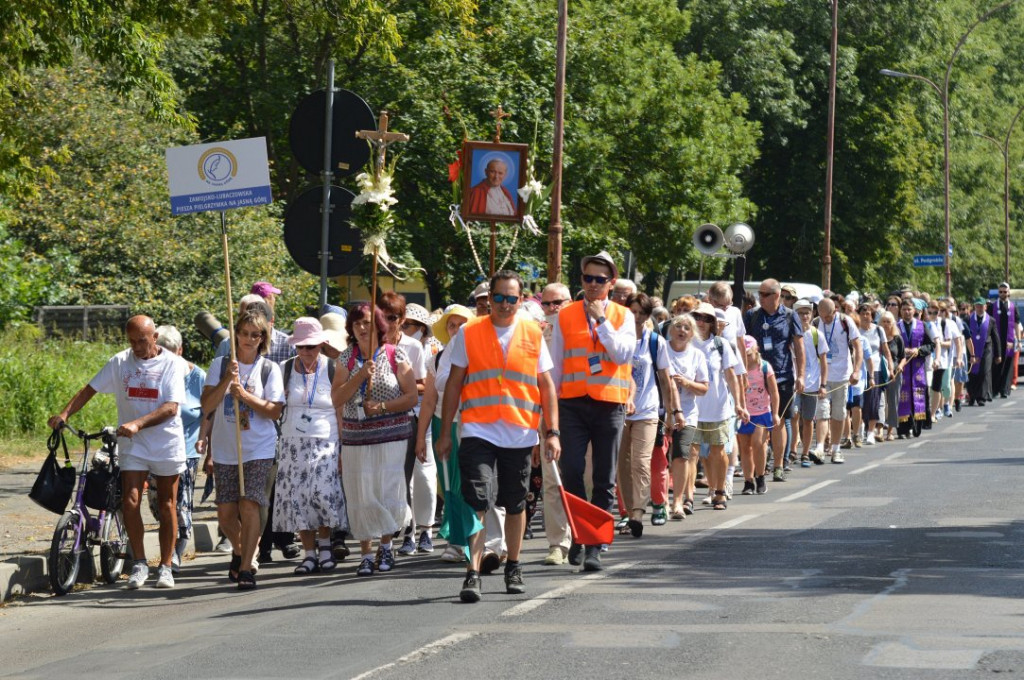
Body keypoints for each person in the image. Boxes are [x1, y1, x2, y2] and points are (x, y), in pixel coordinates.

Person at [437, 271, 561, 603]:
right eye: (500, 297)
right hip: (478, 429)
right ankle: (473, 572)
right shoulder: (469, 331)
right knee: (477, 500)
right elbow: (454, 383)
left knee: (515, 503)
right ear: (489, 298)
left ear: (521, 301)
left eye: (512, 298)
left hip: (520, 433)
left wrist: (552, 433)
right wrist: (447, 430)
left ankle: (514, 567)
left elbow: (546, 385)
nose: (505, 304)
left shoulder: (533, 333)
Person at [49, 315, 187, 590]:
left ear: (155, 338)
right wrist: (65, 413)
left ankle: (166, 566)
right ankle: (139, 563)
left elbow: (171, 407)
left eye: (142, 341)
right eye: (132, 341)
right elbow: (90, 390)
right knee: (130, 501)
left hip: (165, 442)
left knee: (166, 505)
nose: (137, 347)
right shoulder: (120, 361)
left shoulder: (172, 363)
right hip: (133, 444)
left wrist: (138, 423)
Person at [549, 251, 636, 572]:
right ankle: (579, 533)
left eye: (601, 280)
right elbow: (556, 365)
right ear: (581, 279)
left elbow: (623, 353)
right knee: (571, 472)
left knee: (603, 477)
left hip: (609, 402)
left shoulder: (622, 316)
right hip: (571, 402)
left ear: (611, 283)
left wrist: (601, 320)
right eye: (589, 278)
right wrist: (550, 414)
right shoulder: (565, 316)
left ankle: (595, 544)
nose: (594, 285)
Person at [201, 309, 285, 590]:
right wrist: (227, 380)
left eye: (255, 335)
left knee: (250, 504)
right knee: (226, 513)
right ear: (236, 334)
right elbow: (206, 405)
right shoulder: (221, 364)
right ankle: (238, 549)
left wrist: (245, 395)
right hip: (226, 450)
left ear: (263, 338)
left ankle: (248, 566)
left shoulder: (269, 369)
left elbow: (275, 411)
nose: (249, 339)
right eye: (244, 333)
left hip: (258, 448)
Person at [332, 304, 418, 577]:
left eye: (367, 322)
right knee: (361, 492)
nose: (362, 327)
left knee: (388, 490)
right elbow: (336, 399)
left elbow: (411, 397)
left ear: (378, 325)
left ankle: (386, 546)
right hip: (357, 437)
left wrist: (381, 408)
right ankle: (366, 553)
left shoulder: (395, 354)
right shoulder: (346, 358)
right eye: (356, 322)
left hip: (391, 435)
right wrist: (360, 375)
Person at [275, 318, 348, 575]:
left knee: (321, 494)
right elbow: (275, 406)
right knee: (297, 498)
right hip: (292, 443)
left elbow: (340, 407)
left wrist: (342, 446)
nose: (306, 352)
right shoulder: (283, 369)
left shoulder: (333, 368)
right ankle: (308, 553)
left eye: (312, 347)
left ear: (321, 345)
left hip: (325, 441)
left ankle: (326, 546)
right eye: (302, 347)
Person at [616, 292, 679, 537]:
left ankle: (637, 513)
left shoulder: (655, 341)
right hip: (618, 410)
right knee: (622, 464)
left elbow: (665, 378)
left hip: (647, 410)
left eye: (642, 313)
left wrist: (672, 412)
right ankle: (626, 511)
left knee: (641, 462)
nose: (637, 317)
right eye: (633, 311)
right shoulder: (617, 339)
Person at [415, 304, 475, 563]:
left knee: (468, 484)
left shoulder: (479, 354)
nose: (457, 329)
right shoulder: (437, 358)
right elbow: (428, 401)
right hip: (442, 424)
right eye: (452, 325)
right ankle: (456, 539)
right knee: (448, 484)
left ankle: (474, 540)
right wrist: (420, 437)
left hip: (471, 424)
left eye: (462, 324)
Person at [377, 292, 433, 557]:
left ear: (401, 319)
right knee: (389, 480)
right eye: (382, 317)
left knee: (412, 477)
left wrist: (400, 387)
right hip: (378, 421)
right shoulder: (371, 344)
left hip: (408, 418)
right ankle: (397, 532)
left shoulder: (413, 346)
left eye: (392, 317)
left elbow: (423, 384)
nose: (386, 323)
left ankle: (418, 531)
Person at [154, 325, 205, 574]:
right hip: (156, 448)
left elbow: (210, 413)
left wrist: (211, 448)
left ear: (180, 350)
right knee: (159, 504)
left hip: (187, 450)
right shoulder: (154, 373)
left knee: (181, 505)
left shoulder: (198, 377)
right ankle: (168, 544)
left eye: (169, 351)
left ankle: (175, 553)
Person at [744, 279, 805, 478]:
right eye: (759, 294)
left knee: (777, 421)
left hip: (782, 375)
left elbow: (799, 346)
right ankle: (756, 467)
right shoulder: (752, 316)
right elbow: (743, 343)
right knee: (755, 422)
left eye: (764, 294)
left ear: (776, 295)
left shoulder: (789, 316)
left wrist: (801, 375)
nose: (760, 298)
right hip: (756, 377)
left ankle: (779, 464)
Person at [691, 303, 747, 509]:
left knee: (718, 451)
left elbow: (732, 377)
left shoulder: (720, 344)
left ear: (713, 323)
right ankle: (688, 498)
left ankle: (720, 491)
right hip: (692, 408)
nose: (701, 322)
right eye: (697, 317)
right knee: (694, 453)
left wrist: (740, 404)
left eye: (707, 319)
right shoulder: (686, 343)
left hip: (718, 408)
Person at [537, 283, 573, 564]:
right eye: (546, 304)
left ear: (570, 302)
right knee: (552, 478)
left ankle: (583, 536)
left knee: (580, 476)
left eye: (557, 303)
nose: (551, 309)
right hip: (545, 412)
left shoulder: (579, 326)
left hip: (578, 409)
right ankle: (557, 544)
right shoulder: (535, 330)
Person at [665, 314, 708, 518]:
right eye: (678, 326)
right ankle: (661, 499)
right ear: (671, 330)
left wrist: (687, 383)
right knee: (660, 459)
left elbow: (703, 388)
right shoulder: (661, 348)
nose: (682, 331)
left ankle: (678, 502)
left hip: (687, 414)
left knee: (681, 456)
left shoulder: (696, 355)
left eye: (687, 328)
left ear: (692, 334)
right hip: (661, 412)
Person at [815, 298, 861, 462]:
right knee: (822, 411)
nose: (825, 320)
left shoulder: (845, 321)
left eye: (827, 317)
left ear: (834, 311)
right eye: (822, 317)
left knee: (839, 413)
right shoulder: (816, 323)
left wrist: (856, 371)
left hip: (842, 375)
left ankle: (836, 449)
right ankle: (820, 447)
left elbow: (857, 346)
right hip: (822, 376)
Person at [737, 335, 778, 495]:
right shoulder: (739, 368)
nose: (746, 357)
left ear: (756, 350)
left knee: (758, 444)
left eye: (749, 354)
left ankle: (760, 477)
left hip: (761, 411)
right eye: (744, 354)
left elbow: (774, 392)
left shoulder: (765, 367)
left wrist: (775, 413)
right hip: (744, 413)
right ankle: (748, 481)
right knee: (745, 448)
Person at [794, 299, 829, 466]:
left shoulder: (817, 335)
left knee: (808, 420)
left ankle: (805, 453)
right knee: (793, 416)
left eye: (807, 312)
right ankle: (793, 449)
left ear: (812, 314)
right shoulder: (792, 334)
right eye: (800, 313)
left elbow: (823, 362)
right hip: (795, 383)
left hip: (813, 384)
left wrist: (823, 385)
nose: (804, 316)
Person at [896, 299, 935, 438]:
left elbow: (931, 345)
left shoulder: (922, 325)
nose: (907, 312)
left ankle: (917, 426)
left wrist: (918, 351)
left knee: (918, 395)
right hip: (902, 367)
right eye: (904, 309)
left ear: (915, 311)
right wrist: (903, 351)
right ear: (901, 311)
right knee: (902, 396)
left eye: (909, 309)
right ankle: (903, 429)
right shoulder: (896, 327)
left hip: (918, 368)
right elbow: (890, 346)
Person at [857, 302, 892, 445]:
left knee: (873, 401)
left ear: (872, 316)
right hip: (859, 370)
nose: (866, 317)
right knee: (859, 402)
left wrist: (890, 367)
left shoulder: (878, 330)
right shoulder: (856, 331)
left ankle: (871, 432)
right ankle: (860, 429)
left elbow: (885, 350)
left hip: (875, 369)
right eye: (863, 314)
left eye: (868, 314)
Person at [966, 297, 1000, 406]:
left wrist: (998, 354)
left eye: (981, 306)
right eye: (977, 306)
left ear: (985, 307)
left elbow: (996, 338)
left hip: (986, 349)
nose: (979, 308)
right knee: (972, 373)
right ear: (974, 307)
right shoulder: (968, 319)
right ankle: (971, 395)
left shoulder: (991, 320)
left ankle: (981, 397)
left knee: (984, 372)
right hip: (971, 349)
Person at [990, 283, 1017, 398]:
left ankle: (1004, 390)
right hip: (996, 341)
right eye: (1000, 292)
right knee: (996, 366)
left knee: (1007, 367)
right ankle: (995, 389)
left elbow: (1017, 323)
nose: (1003, 294)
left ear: (1009, 292)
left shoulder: (1013, 307)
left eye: (1005, 292)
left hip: (1009, 342)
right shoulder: (992, 306)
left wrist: (1018, 340)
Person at [880, 311, 904, 441]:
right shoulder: (877, 336)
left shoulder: (897, 338)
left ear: (892, 323)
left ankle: (890, 430)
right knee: (880, 401)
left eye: (888, 322)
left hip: (895, 373)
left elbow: (903, 357)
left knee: (893, 402)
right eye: (883, 321)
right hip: (880, 372)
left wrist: (900, 366)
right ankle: (878, 429)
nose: (885, 324)